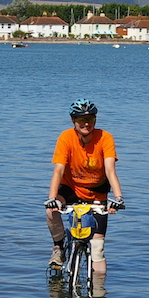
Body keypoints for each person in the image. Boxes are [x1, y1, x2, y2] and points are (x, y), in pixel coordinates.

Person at [45, 100, 124, 274]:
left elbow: (110, 170)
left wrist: (118, 198)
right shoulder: (66, 137)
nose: (86, 124)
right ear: (73, 121)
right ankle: (59, 247)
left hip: (97, 192)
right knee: (51, 211)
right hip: (71, 188)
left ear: (95, 120)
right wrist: (52, 198)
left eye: (90, 119)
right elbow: (58, 170)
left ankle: (98, 296)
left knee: (97, 249)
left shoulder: (105, 138)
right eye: (81, 120)